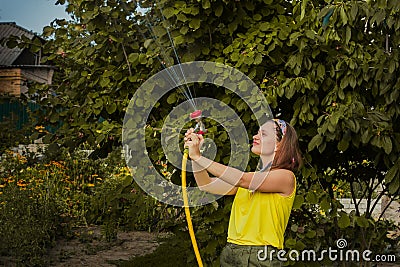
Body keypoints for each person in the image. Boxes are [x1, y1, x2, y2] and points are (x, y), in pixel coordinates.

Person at [184, 119, 302, 267]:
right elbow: (205, 184)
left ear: (279, 145)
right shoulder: (251, 179)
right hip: (232, 250)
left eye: (263, 134)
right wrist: (195, 154)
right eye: (257, 132)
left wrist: (199, 158)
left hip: (260, 255)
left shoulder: (285, 177)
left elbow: (241, 179)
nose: (255, 136)